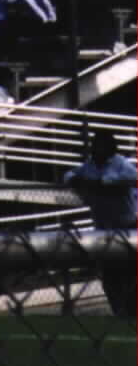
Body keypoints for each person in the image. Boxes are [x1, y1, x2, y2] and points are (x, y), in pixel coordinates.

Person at [64, 130, 137, 317]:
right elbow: (70, 174)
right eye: (97, 145)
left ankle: (131, 310)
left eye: (103, 145)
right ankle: (120, 312)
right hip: (103, 229)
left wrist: (104, 182)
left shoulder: (121, 164)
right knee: (110, 276)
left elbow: (131, 178)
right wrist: (75, 179)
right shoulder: (89, 166)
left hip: (127, 226)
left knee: (129, 273)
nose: (99, 149)